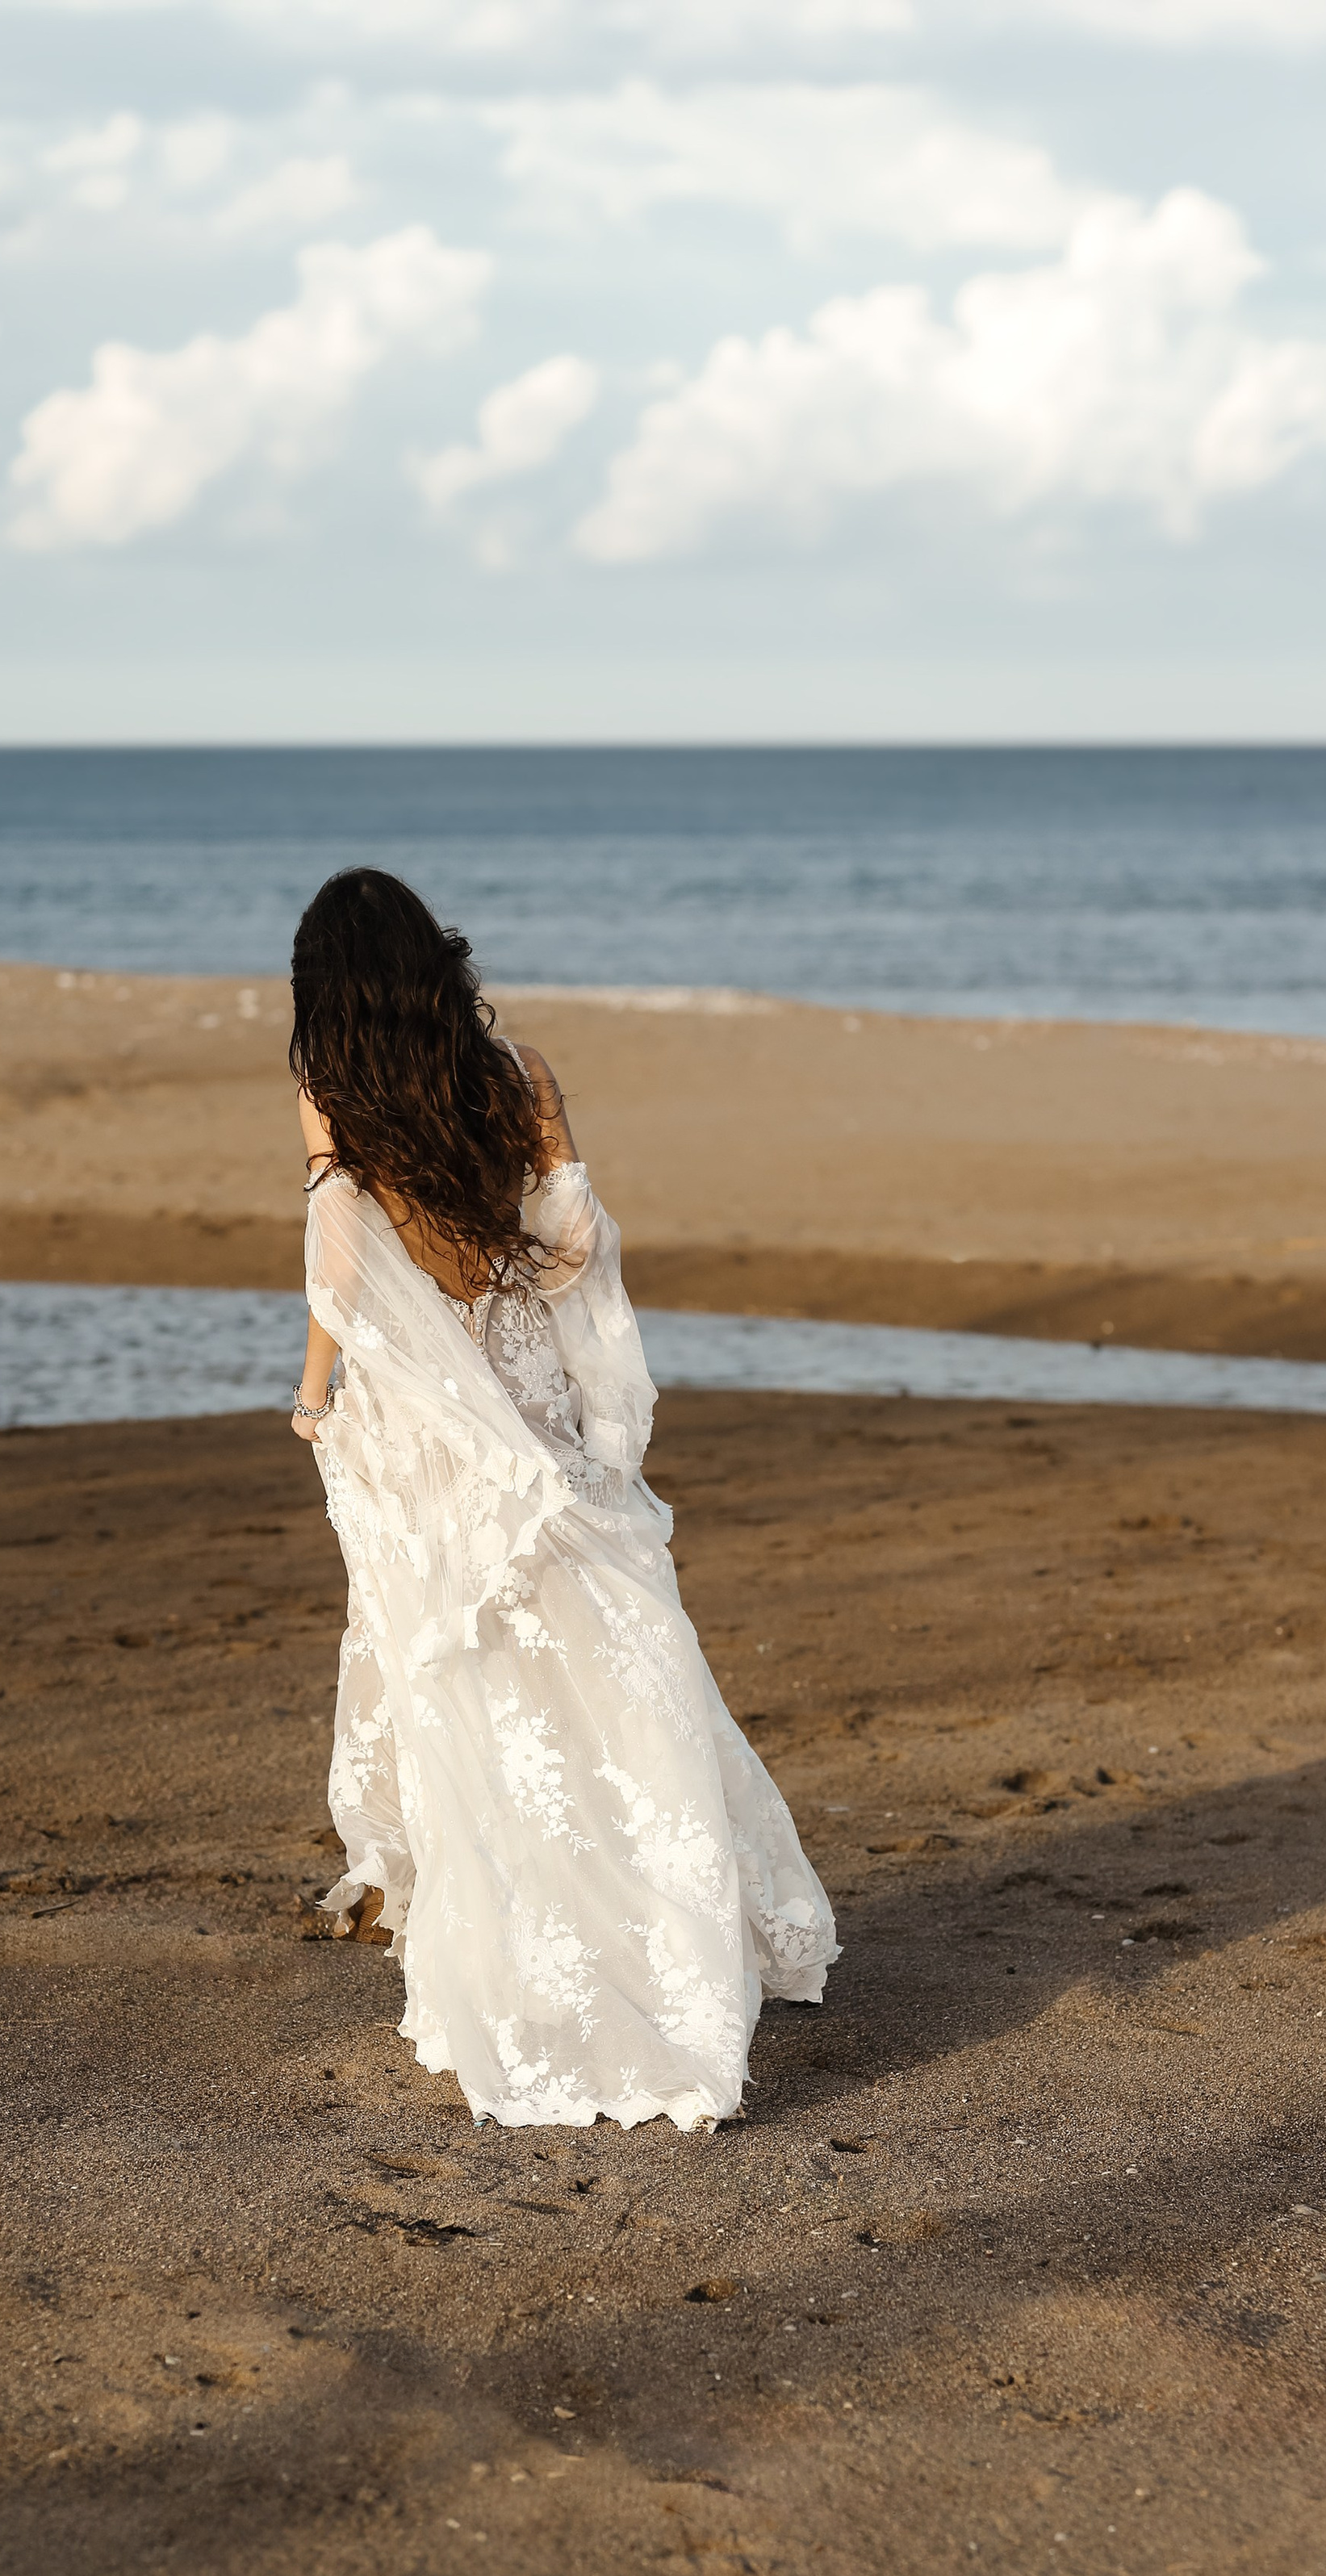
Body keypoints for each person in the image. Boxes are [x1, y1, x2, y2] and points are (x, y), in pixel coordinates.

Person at [286, 867, 837, 2132]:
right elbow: (577, 1249)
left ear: (330, 992)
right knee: (618, 1659)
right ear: (439, 966)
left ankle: (527, 1936)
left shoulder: (335, 1101)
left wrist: (313, 1402)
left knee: (472, 1674)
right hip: (534, 1403)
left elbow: (339, 1283)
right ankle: (671, 1924)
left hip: (426, 1437)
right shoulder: (519, 1077)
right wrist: (516, 1284)